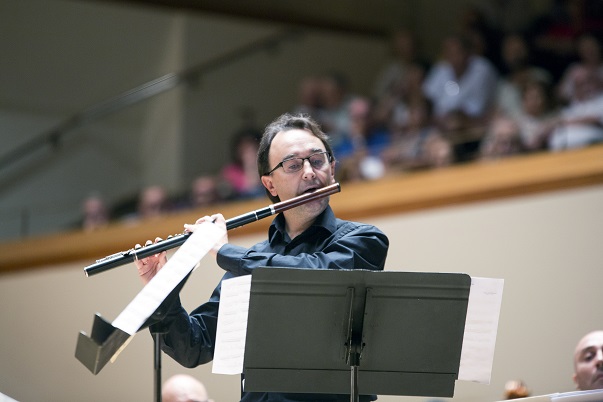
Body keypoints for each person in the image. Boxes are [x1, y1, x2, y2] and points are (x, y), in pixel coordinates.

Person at [135, 113, 389, 402]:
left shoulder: (363, 240)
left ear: (332, 169)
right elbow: (194, 347)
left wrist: (224, 251)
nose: (309, 172)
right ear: (270, 185)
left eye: (317, 161)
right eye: (293, 165)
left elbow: (318, 274)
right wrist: (162, 289)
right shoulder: (251, 262)